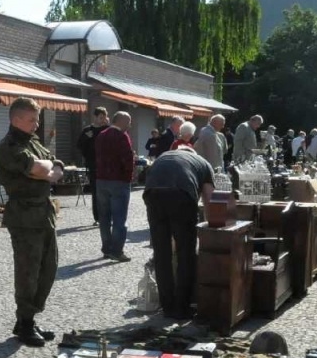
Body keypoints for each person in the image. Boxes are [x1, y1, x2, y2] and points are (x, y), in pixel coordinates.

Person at [0, 97, 63, 346]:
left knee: (49, 267)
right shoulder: (9, 145)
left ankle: (30, 317)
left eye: (37, 119)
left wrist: (49, 170)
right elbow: (36, 168)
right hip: (24, 216)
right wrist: (47, 171)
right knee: (28, 271)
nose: (37, 124)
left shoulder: (32, 141)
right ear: (16, 120)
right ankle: (24, 323)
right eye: (32, 119)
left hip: (44, 213)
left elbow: (55, 165)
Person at [143, 146, 215, 323]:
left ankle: (167, 307)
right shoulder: (204, 164)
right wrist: (211, 228)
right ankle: (182, 308)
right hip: (181, 195)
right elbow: (209, 200)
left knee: (161, 253)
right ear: (193, 155)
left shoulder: (164, 156)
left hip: (152, 193)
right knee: (185, 252)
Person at [93, 110, 135, 261]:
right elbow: (127, 159)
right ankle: (117, 251)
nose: (130, 125)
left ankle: (106, 248)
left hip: (101, 180)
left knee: (104, 217)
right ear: (121, 122)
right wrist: (129, 177)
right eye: (128, 122)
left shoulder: (101, 135)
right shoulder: (122, 137)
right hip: (118, 181)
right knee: (119, 218)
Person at [78, 107, 108, 224]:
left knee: (107, 191)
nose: (102, 120)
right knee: (96, 192)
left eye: (104, 117)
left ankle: (107, 216)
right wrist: (86, 137)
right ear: (95, 117)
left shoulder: (107, 129)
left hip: (107, 165)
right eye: (100, 117)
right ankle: (97, 217)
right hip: (93, 165)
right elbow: (79, 146)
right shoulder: (87, 130)